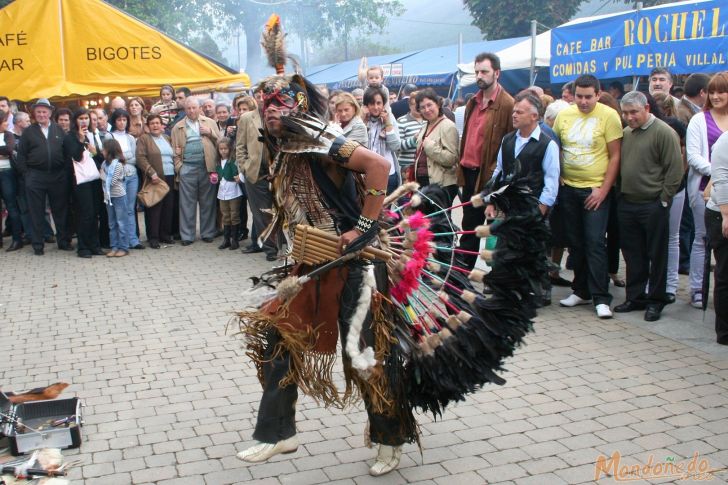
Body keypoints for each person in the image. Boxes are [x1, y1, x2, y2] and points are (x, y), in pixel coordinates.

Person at [235, 69, 416, 478]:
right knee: (278, 336)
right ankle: (277, 432)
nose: (272, 111)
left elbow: (378, 166)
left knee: (366, 355)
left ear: (299, 105)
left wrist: (365, 226)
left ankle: (390, 437)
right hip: (313, 264)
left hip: (358, 266)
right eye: (267, 105)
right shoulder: (282, 145)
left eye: (281, 103)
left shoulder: (319, 137)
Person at [553, 75, 623, 319]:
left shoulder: (609, 116)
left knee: (595, 242)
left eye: (588, 97)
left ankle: (601, 297)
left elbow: (615, 155)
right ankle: (580, 290)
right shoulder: (564, 115)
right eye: (579, 97)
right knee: (576, 243)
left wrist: (604, 189)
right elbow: (557, 147)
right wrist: (559, 178)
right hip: (569, 188)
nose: (583, 102)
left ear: (598, 93)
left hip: (595, 189)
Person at [614, 91, 683, 322]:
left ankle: (656, 300)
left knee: (657, 254)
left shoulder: (664, 132)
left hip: (653, 203)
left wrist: (664, 199)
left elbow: (674, 169)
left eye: (634, 112)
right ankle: (635, 297)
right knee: (633, 255)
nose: (629, 117)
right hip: (628, 203)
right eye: (625, 113)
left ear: (646, 109)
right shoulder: (625, 133)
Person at [486, 93, 560, 305]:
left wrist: (540, 211)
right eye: (514, 111)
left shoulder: (547, 144)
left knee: (534, 252)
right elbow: (498, 172)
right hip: (509, 208)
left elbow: (552, 182)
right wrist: (492, 200)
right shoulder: (508, 140)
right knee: (505, 249)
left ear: (534, 116)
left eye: (519, 112)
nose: (514, 115)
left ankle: (540, 291)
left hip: (533, 208)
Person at [457, 52, 514, 269]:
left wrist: (500, 185)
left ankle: (496, 281)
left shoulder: (507, 104)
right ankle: (462, 277)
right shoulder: (473, 101)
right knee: (469, 229)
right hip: (470, 176)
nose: (479, 76)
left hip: (491, 178)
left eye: (484, 71)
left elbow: (510, 148)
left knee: (494, 230)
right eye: (477, 71)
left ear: (497, 73)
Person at [686, 72, 728, 309]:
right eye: (712, 91)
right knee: (702, 240)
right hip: (704, 190)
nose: (716, 96)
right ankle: (697, 289)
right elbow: (693, 156)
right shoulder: (699, 120)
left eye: (721, 91)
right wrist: (718, 172)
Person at [14, 98, 72, 255]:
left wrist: (65, 172)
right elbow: (21, 156)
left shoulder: (59, 129)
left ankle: (63, 241)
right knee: (36, 212)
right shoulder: (28, 132)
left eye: (44, 111)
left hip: (58, 175)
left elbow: (67, 154)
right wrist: (27, 175)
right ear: (34, 113)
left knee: (60, 211)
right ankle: (38, 244)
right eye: (38, 111)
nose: (41, 114)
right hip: (35, 176)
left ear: (50, 113)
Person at [171, 97, 221, 245]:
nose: (191, 111)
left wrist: (211, 132)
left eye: (194, 108)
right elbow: (174, 151)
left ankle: (207, 233)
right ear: (185, 110)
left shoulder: (210, 122)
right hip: (187, 168)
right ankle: (187, 235)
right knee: (186, 204)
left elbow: (221, 143)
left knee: (208, 202)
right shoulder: (177, 127)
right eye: (188, 108)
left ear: (200, 108)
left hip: (207, 167)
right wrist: (180, 167)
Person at [236, 89, 277, 261]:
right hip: (255, 173)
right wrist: (245, 167)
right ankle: (270, 249)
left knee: (280, 212)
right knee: (261, 214)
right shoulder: (246, 118)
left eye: (265, 96)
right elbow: (240, 146)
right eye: (259, 96)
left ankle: (284, 244)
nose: (262, 99)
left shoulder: (278, 114)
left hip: (278, 173)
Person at [63, 109, 105, 258]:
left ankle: (94, 245)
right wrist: (81, 141)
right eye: (81, 118)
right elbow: (75, 156)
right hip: (80, 180)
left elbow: (99, 157)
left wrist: (95, 152)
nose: (84, 121)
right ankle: (83, 247)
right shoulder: (70, 137)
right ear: (75, 120)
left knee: (94, 213)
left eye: (86, 118)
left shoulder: (92, 135)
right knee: (85, 213)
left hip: (94, 178)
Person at [412, 88, 459, 204]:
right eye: (422, 107)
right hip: (425, 184)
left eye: (429, 105)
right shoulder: (425, 126)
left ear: (438, 104)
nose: (426, 110)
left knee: (440, 220)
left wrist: (430, 148)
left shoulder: (448, 126)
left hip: (441, 186)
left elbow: (452, 159)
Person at [135, 114, 175, 249]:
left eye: (157, 123)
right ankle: (153, 237)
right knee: (154, 207)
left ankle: (165, 235)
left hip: (170, 176)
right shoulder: (144, 139)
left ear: (161, 125)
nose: (155, 125)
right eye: (152, 123)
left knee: (168, 207)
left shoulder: (167, 138)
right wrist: (151, 173)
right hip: (155, 177)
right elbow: (140, 158)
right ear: (148, 126)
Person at [109, 109, 144, 250]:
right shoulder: (109, 136)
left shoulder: (130, 138)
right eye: (119, 120)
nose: (122, 122)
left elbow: (136, 159)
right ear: (114, 121)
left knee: (130, 209)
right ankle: (121, 241)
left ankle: (133, 239)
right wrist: (123, 159)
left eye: (124, 120)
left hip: (132, 176)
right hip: (117, 178)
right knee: (119, 210)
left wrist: (123, 158)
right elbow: (111, 159)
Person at [705, 131, 728, 345]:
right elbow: (721, 178)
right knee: (725, 274)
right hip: (720, 213)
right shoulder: (725, 141)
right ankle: (725, 332)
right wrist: (726, 214)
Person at [363, 86, 401, 194]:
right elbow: (357, 145)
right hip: (368, 174)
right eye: (372, 103)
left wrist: (388, 123)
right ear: (366, 105)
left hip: (388, 175)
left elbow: (396, 146)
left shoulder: (390, 118)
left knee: (384, 208)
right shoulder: (363, 120)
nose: (376, 107)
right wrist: (362, 121)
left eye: (379, 103)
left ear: (383, 104)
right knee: (372, 207)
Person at [101, 138, 129, 257]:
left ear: (109, 150)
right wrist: (103, 175)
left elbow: (110, 181)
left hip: (119, 196)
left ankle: (124, 247)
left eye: (104, 149)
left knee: (121, 222)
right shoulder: (104, 163)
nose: (102, 151)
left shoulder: (117, 164)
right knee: (112, 223)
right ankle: (114, 246)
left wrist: (102, 175)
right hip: (109, 197)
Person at [214, 138, 242, 250]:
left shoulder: (233, 161)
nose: (223, 151)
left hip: (233, 191)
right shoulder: (217, 162)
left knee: (234, 215)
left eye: (225, 148)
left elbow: (236, 173)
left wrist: (237, 176)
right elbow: (218, 175)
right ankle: (226, 240)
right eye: (221, 149)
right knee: (225, 215)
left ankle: (234, 240)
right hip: (222, 191)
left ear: (229, 149)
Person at [0, 111, 22, 251]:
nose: (7, 123)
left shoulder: (8, 134)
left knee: (11, 206)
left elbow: (9, 148)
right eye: (4, 121)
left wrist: (5, 153)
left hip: (7, 173)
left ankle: (17, 239)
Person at [397, 91, 424, 178]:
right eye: (414, 104)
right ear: (409, 106)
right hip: (407, 167)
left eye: (419, 104)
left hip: (423, 167)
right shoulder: (401, 121)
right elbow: (397, 147)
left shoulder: (428, 120)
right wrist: (413, 140)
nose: (417, 107)